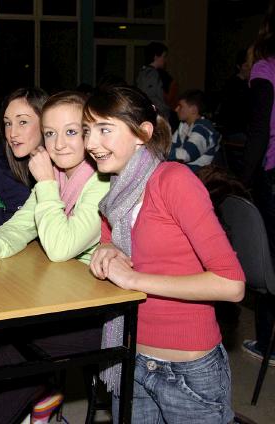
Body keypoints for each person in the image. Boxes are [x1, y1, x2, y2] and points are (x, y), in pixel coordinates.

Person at [83, 85, 245, 423]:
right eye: (87, 130)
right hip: (133, 358)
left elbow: (231, 284)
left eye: (104, 129)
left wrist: (132, 278)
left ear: (142, 132)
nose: (90, 143)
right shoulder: (116, 191)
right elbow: (114, 242)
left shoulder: (173, 181)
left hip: (188, 371)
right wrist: (108, 248)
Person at [0, 92, 109, 424]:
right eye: (51, 133)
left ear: (90, 133)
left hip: (99, 312)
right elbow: (20, 225)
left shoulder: (100, 182)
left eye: (71, 132)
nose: (57, 144)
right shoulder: (59, 175)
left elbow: (59, 248)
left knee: (11, 357)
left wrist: (43, 183)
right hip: (62, 296)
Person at [240, 2, 275, 367]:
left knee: (269, 262)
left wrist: (241, 183)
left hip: (273, 174)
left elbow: (260, 130)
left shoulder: (266, 68)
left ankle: (268, 343)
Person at [0, 87, 48, 187]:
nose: (12, 133)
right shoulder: (3, 172)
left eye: (23, 122)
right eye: (8, 123)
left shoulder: (62, 174)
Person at [168, 89, 221, 172]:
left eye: (180, 106)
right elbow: (172, 145)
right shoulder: (183, 125)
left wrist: (160, 152)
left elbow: (187, 154)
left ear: (193, 110)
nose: (176, 109)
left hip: (201, 175)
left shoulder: (203, 128)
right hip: (187, 171)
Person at [136, 42, 172, 120]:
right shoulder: (151, 74)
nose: (165, 60)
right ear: (156, 56)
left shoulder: (145, 72)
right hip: (156, 116)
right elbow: (150, 96)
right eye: (164, 56)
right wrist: (165, 110)